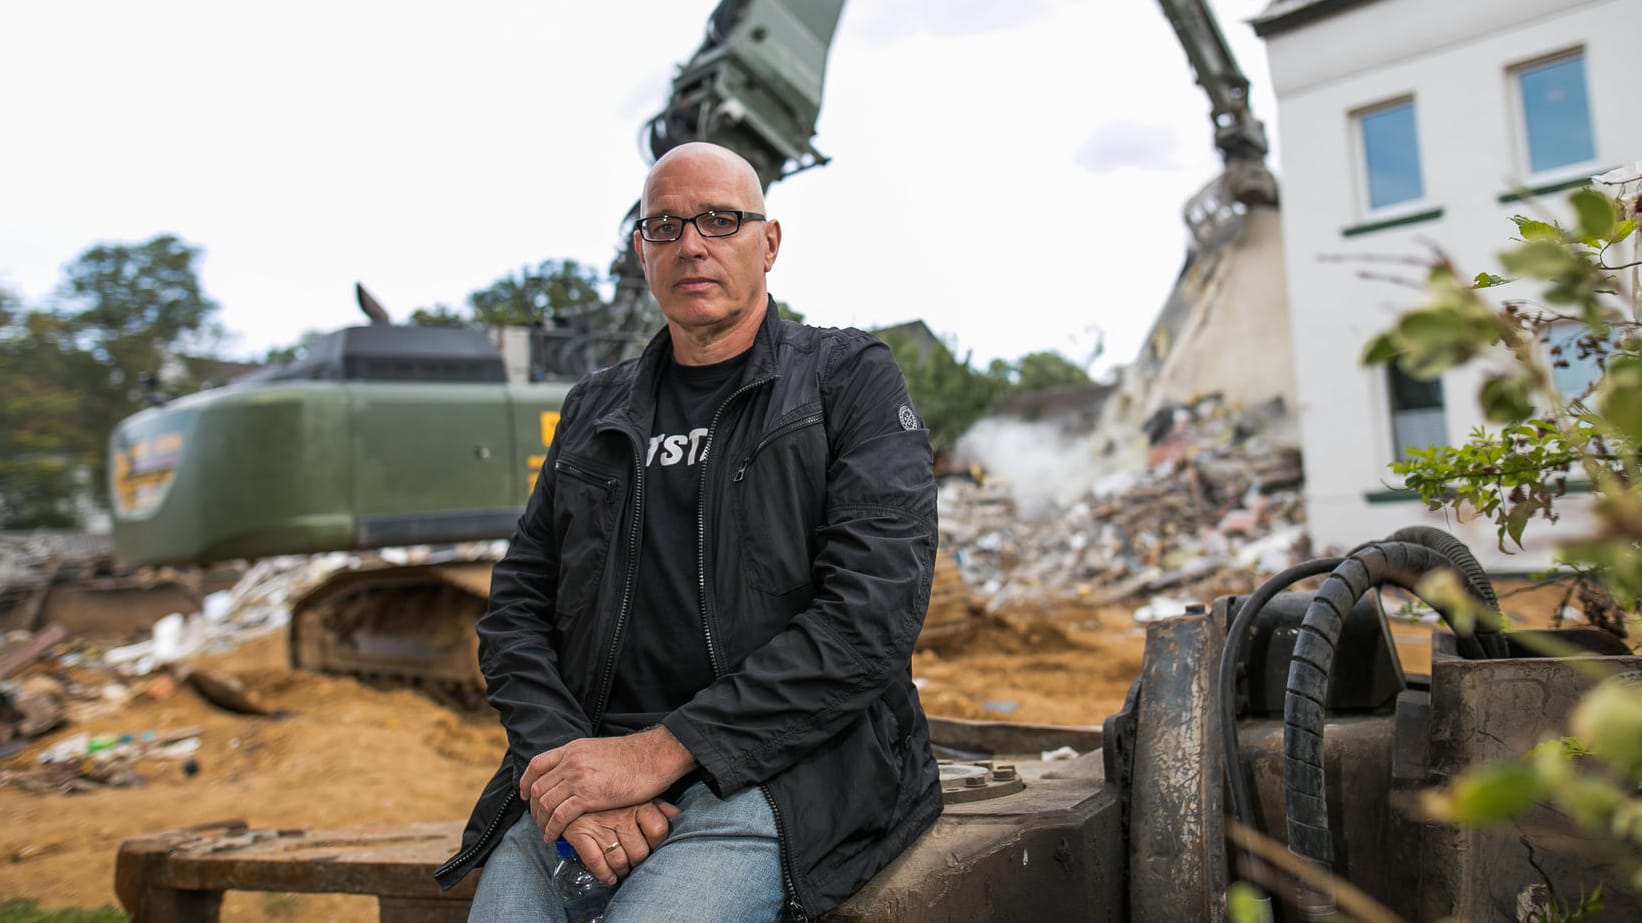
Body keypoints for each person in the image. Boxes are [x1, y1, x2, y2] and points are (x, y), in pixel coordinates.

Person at [434, 141, 942, 921]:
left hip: (779, 773)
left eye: (719, 220)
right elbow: (515, 614)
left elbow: (870, 620)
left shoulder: (847, 380)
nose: (691, 244)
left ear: (768, 243)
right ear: (642, 252)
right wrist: (573, 771)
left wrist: (655, 756)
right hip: (595, 769)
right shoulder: (593, 410)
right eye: (664, 226)